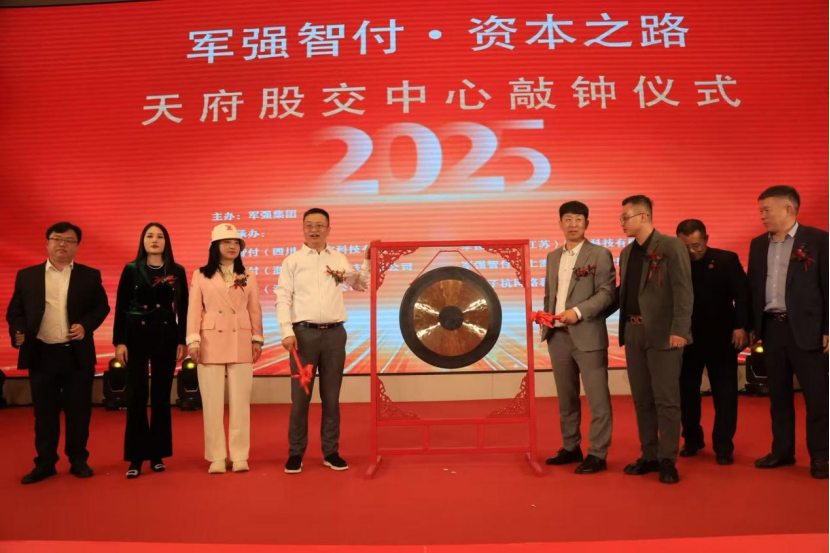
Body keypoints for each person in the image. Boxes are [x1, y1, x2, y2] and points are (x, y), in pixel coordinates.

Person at [6, 222, 110, 484]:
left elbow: (102, 307)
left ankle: (78, 460)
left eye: (69, 240)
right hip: (41, 353)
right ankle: (45, 462)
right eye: (57, 239)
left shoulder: (89, 275)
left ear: (77, 246)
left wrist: (85, 325)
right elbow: (15, 311)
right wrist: (18, 331)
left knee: (79, 411)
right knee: (44, 412)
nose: (62, 244)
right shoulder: (27, 276)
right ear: (47, 243)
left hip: (76, 354)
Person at [276, 208, 371, 474]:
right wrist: (286, 331)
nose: (314, 230)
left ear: (329, 229)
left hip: (334, 336)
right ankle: (296, 453)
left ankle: (331, 451)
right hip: (303, 335)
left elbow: (361, 284)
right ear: (303, 228)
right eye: (309, 225)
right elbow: (283, 297)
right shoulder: (292, 261)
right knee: (300, 398)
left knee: (331, 397)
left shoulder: (338, 258)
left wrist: (367, 260)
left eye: (320, 225)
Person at [747, 185, 829, 480]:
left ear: (789, 209)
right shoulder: (758, 244)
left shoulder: (819, 240)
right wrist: (751, 326)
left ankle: (821, 456)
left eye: (766, 210)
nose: (762, 215)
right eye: (761, 210)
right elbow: (753, 287)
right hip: (772, 329)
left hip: (809, 330)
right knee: (778, 396)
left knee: (817, 397)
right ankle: (782, 451)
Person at [617, 196, 693, 484]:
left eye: (625, 217)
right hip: (633, 332)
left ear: (644, 216)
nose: (622, 223)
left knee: (667, 400)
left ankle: (667, 459)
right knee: (642, 398)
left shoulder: (671, 246)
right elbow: (624, 293)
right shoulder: (627, 253)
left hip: (664, 333)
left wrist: (680, 330)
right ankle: (649, 455)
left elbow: (684, 290)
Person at [542, 201, 617, 474]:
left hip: (588, 335)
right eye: (568, 219)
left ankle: (598, 453)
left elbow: (607, 293)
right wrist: (546, 320)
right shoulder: (552, 257)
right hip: (557, 336)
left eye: (578, 219)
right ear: (560, 223)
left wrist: (577, 311)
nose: (573, 224)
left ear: (587, 223)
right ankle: (571, 446)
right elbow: (550, 295)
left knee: (598, 399)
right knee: (566, 398)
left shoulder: (599, 254)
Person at [186, 223, 263, 474]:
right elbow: (194, 309)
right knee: (212, 403)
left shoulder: (248, 274)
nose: (232, 246)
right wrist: (193, 340)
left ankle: (240, 455)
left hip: (240, 339)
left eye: (236, 242)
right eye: (226, 242)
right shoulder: (200, 275)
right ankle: (216, 456)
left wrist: (257, 339)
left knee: (241, 402)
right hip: (210, 340)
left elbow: (254, 309)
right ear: (215, 246)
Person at [113, 222, 189, 478]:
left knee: (161, 397)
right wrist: (119, 341)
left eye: (160, 236)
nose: (154, 240)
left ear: (166, 241)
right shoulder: (131, 269)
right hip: (135, 336)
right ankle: (136, 457)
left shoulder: (176, 270)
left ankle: (157, 454)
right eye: (149, 236)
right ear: (142, 241)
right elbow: (121, 306)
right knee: (136, 395)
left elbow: (183, 308)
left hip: (166, 336)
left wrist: (182, 340)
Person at [676, 219, 750, 465]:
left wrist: (741, 326)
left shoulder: (726, 260)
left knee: (725, 394)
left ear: (706, 239)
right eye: (685, 246)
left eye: (696, 245)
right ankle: (692, 440)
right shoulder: (675, 263)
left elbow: (743, 295)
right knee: (686, 394)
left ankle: (723, 446)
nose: (691, 251)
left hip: (722, 338)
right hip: (687, 340)